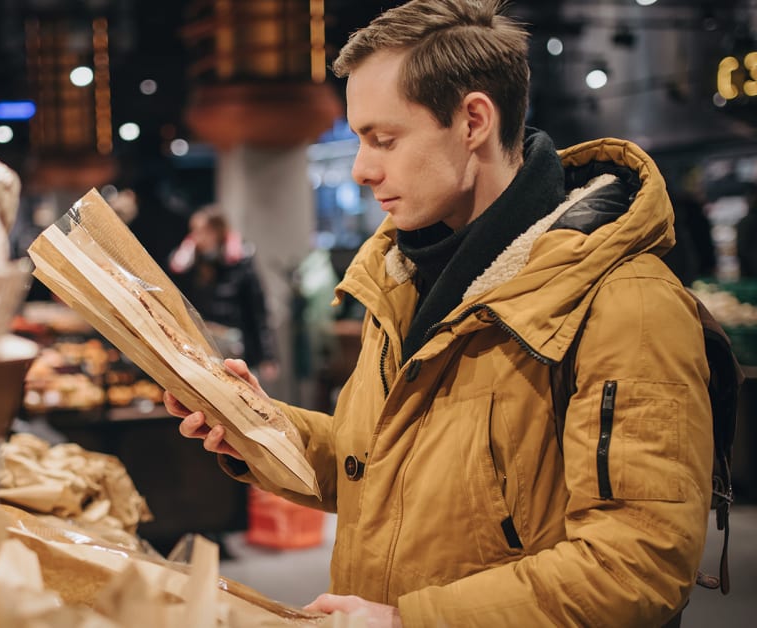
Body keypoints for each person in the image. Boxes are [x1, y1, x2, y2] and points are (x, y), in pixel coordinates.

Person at [164, 1, 713, 626]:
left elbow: (637, 561)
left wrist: (408, 621)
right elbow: (372, 472)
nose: (362, 168)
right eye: (359, 138)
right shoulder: (402, 281)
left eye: (384, 138)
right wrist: (255, 426)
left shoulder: (628, 303)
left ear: (473, 119)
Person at [169, 205, 280, 381]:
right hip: (204, 346)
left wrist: (267, 356)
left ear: (217, 232)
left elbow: (257, 311)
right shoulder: (193, 262)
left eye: (202, 231)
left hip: (236, 347)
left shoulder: (240, 261)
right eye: (194, 231)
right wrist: (182, 262)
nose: (197, 237)